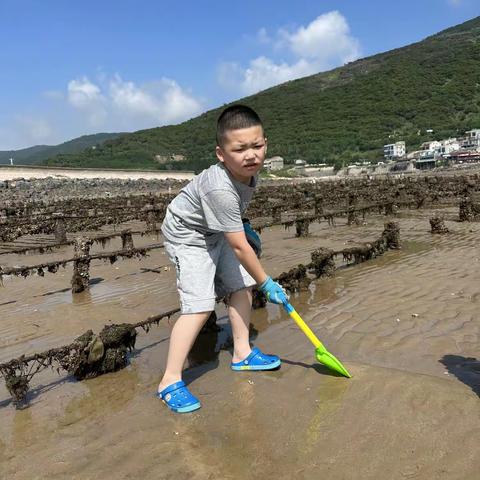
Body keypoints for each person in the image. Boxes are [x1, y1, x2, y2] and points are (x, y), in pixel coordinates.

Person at [157, 104, 288, 413]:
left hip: (214, 230)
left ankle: (242, 354)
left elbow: (234, 225)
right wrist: (267, 282)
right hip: (188, 236)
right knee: (199, 306)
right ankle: (169, 381)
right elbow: (240, 248)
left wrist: (241, 229)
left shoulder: (249, 175)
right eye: (239, 149)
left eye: (256, 146)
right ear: (221, 153)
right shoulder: (220, 188)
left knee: (240, 287)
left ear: (265, 143)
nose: (251, 155)